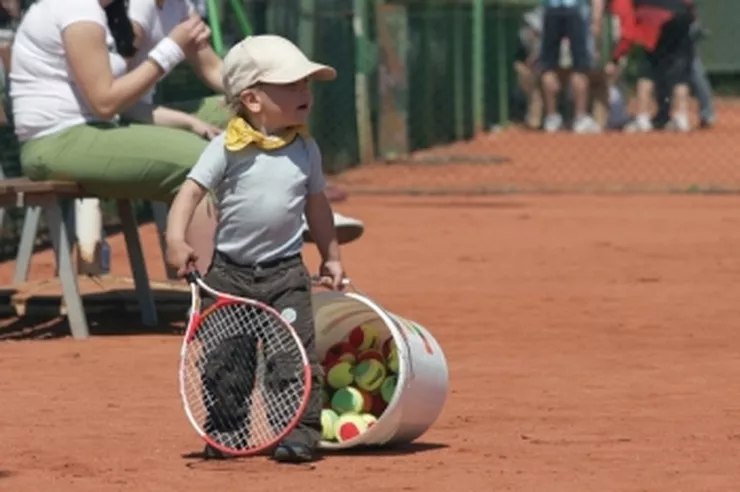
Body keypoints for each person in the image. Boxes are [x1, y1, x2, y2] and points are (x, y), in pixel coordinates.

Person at [165, 34, 345, 463]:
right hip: (229, 276)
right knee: (226, 361)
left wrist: (332, 256)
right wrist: (175, 238)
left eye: (306, 83)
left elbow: (318, 206)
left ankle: (298, 432)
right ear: (252, 99)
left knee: (293, 357)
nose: (305, 92)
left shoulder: (306, 148)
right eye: (291, 84)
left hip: (287, 274)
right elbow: (190, 192)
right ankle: (228, 430)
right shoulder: (227, 146)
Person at [127, 0, 364, 243]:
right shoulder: (136, 8)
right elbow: (116, 102)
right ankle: (213, 256)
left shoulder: (181, 6)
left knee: (267, 112)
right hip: (123, 116)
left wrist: (258, 93)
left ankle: (295, 207)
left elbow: (214, 69)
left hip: (143, 108)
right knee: (206, 154)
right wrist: (188, 119)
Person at [607, 0, 696, 132]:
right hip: (681, 16)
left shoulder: (624, 3)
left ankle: (642, 118)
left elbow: (627, 34)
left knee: (647, 70)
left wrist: (615, 59)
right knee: (680, 72)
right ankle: (681, 118)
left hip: (654, 19)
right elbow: (689, 6)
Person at [539, 0, 604, 133]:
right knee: (580, 66)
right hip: (575, 9)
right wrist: (596, 18)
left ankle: (551, 117)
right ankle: (580, 117)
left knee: (549, 66)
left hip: (551, 9)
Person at [652, 15, 715, 130]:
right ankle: (705, 114)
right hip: (680, 22)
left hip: (674, 23)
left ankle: (667, 115)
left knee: (688, 69)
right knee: (690, 68)